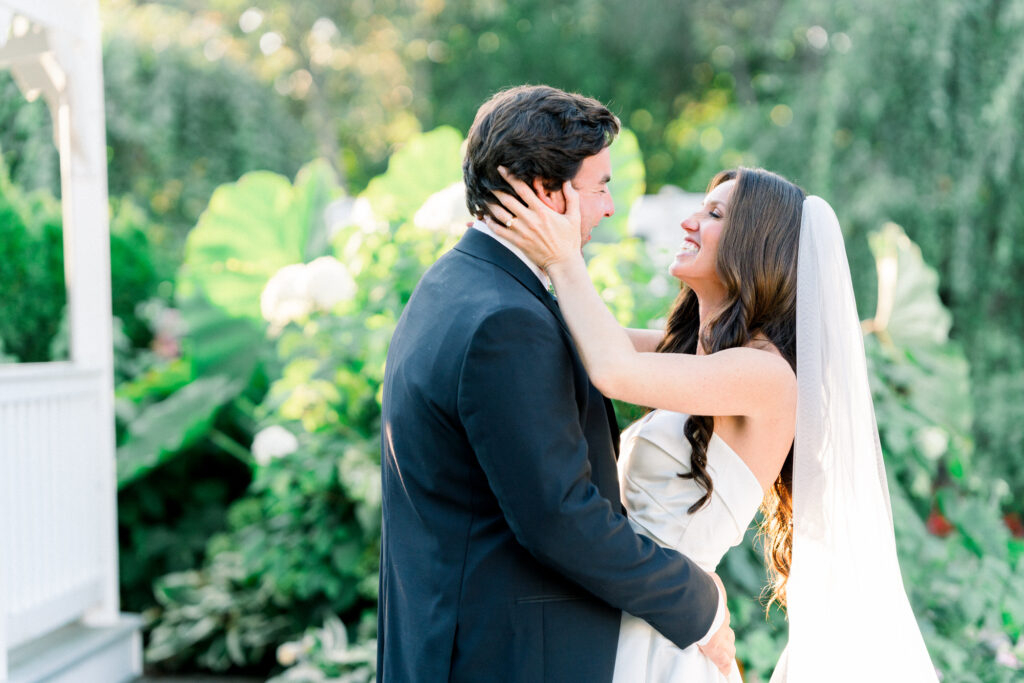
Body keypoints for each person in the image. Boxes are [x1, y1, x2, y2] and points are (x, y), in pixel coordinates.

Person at [488, 166, 939, 681]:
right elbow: (581, 336)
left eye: (714, 214)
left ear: (755, 243)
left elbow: (612, 370)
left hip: (657, 639)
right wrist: (525, 240)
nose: (688, 221)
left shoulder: (765, 373)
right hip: (625, 609)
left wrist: (564, 257)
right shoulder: (695, 355)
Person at [378, 85, 735, 683]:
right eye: (600, 187)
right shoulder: (506, 322)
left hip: (450, 636)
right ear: (546, 192)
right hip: (502, 658)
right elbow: (561, 520)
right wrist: (701, 606)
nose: (609, 209)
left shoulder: (458, 283)